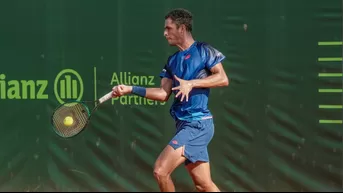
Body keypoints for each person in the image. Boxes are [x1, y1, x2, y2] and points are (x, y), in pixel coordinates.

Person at [112, 8, 229, 192]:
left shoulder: (204, 50)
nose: (165, 33)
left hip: (197, 124)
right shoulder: (172, 61)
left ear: (181, 28)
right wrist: (130, 89)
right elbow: (162, 94)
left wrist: (191, 83)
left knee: (160, 170)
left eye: (169, 28)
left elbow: (222, 78)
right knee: (203, 185)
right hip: (183, 125)